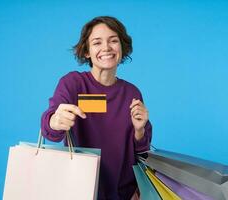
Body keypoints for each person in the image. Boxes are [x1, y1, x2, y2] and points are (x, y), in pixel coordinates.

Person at [41, 16, 152, 200]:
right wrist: (55, 120)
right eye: (97, 42)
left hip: (125, 193)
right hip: (81, 189)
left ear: (122, 47)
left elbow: (142, 150)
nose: (106, 48)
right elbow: (50, 131)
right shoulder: (73, 84)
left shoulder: (132, 92)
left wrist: (140, 130)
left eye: (113, 41)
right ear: (87, 51)